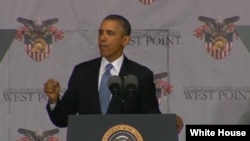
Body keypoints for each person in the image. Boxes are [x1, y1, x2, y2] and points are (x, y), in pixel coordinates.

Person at [44, 14, 183, 133]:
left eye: (110, 33)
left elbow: (151, 118)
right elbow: (62, 120)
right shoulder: (82, 72)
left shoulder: (141, 75)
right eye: (100, 32)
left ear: (125, 40)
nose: (102, 38)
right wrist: (54, 100)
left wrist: (169, 123)